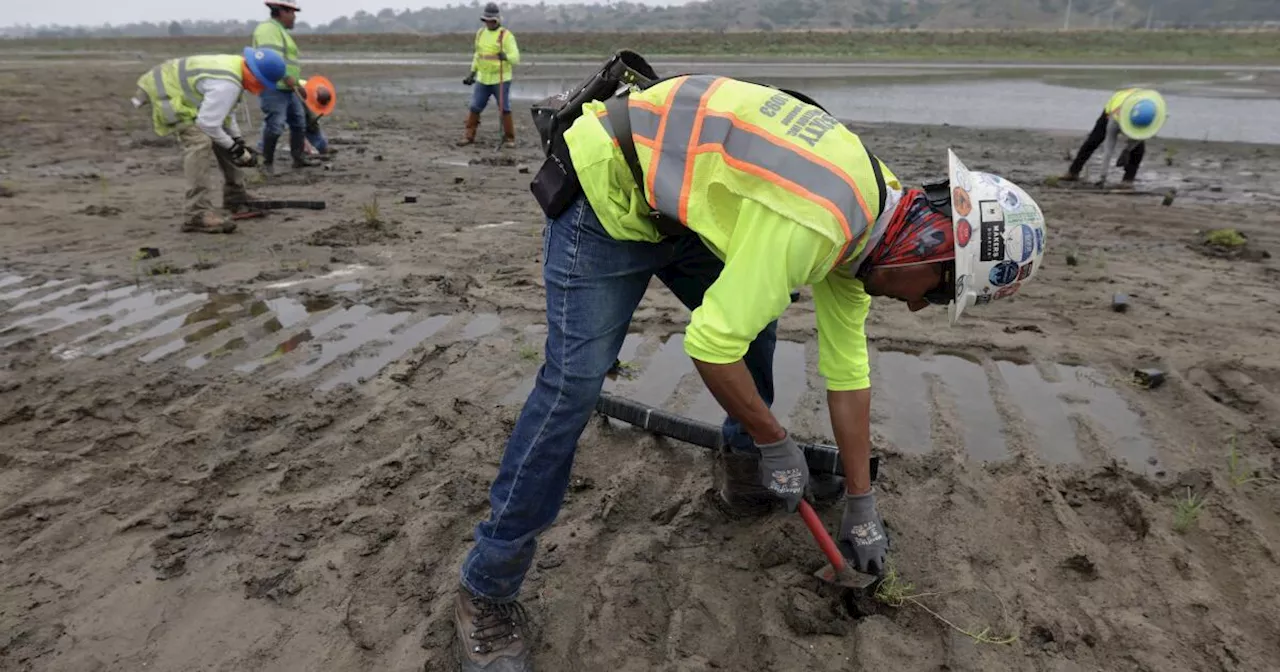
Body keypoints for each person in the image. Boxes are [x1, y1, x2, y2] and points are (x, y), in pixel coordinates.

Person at [451, 74, 1049, 671]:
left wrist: (861, 504)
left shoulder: (876, 214)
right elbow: (709, 345)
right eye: (939, 294)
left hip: (682, 201)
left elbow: (848, 375)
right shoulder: (821, 222)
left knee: (756, 323)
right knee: (571, 388)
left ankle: (743, 475)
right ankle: (487, 586)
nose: (920, 307)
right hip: (606, 189)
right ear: (930, 245)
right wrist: (777, 439)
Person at [131, 48, 285, 234]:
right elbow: (208, 124)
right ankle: (196, 213)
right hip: (166, 91)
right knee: (200, 142)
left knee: (224, 138)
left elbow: (226, 114)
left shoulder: (237, 69)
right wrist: (235, 149)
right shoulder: (227, 84)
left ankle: (236, 197)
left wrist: (237, 141)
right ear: (258, 78)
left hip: (172, 82)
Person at [252, 0, 332, 172]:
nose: (294, 17)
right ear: (281, 11)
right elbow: (268, 60)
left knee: (299, 123)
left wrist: (296, 83)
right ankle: (266, 162)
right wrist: (285, 77)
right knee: (275, 125)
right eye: (292, 13)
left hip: (287, 87)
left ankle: (298, 158)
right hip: (273, 87)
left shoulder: (280, 31)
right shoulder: (268, 30)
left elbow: (285, 62)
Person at [1060, 88, 1167, 189]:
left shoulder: (1152, 114)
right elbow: (1109, 148)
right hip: (1112, 112)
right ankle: (1073, 172)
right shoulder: (1114, 118)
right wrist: (1103, 177)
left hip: (1139, 106)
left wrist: (1127, 150)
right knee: (1093, 140)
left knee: (1138, 148)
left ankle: (1128, 181)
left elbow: (1141, 137)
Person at [457, 2, 521, 148]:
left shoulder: (506, 35)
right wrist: (472, 73)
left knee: (504, 108)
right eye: (487, 20)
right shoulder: (480, 34)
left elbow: (516, 57)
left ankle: (509, 139)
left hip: (501, 79)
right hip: (483, 79)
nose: (489, 23)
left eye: (492, 20)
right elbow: (478, 55)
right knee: (475, 106)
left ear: (498, 19)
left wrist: (505, 56)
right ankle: (468, 136)